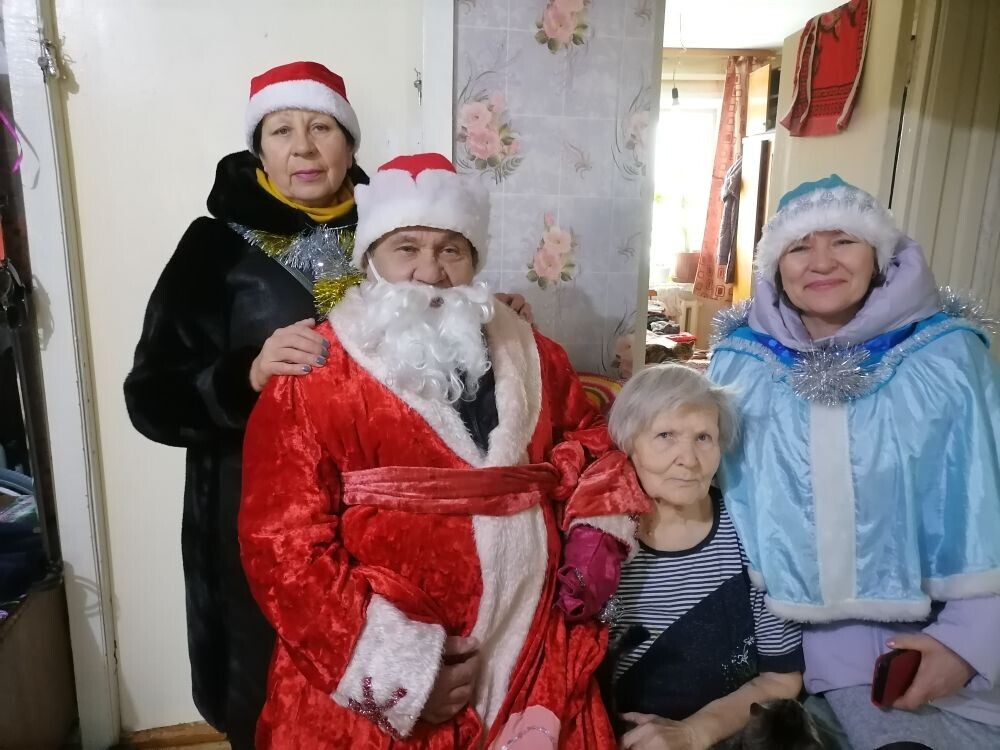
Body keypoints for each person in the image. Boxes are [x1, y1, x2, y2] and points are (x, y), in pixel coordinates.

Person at [123, 63, 530, 748]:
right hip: (260, 521)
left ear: (349, 143)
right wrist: (245, 374)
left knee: (394, 702)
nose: (304, 147)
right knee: (271, 701)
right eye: (282, 131)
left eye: (321, 128)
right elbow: (150, 399)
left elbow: (437, 338)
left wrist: (488, 317)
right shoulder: (213, 247)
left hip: (386, 526)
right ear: (259, 148)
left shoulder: (394, 226)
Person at [238, 152, 648, 748]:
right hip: (379, 671)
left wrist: (595, 532)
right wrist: (401, 673)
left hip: (531, 650)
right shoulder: (313, 371)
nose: (430, 272)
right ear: (371, 258)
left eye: (450, 249)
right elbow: (281, 547)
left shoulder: (535, 353)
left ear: (473, 260)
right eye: (406, 247)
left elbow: (592, 442)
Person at [709, 175, 1000, 750]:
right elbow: (715, 495)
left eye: (843, 240)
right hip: (771, 650)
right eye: (799, 246)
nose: (821, 262)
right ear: (776, 266)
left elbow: (987, 499)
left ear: (878, 255)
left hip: (932, 655)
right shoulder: (739, 363)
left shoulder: (949, 357)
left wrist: (969, 644)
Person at [602, 364, 804, 750]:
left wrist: (695, 732)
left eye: (703, 438)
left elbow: (781, 678)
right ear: (629, 444)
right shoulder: (600, 544)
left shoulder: (753, 537)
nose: (689, 460)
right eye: (665, 435)